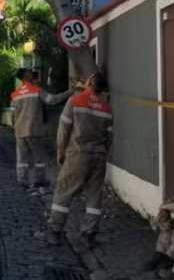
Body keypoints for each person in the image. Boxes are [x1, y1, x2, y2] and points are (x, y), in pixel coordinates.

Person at [34, 71, 112, 246]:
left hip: (78, 154)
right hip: (99, 156)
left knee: (64, 191)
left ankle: (54, 231)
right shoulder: (107, 108)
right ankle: (88, 235)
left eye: (87, 79)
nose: (84, 82)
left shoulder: (75, 101)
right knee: (94, 195)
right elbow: (110, 138)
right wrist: (102, 152)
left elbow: (63, 131)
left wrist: (61, 153)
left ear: (91, 83)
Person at [11, 68, 71, 194]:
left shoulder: (15, 94)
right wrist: (69, 92)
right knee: (39, 158)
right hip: (34, 130)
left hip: (19, 130)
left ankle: (22, 181)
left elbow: (12, 115)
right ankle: (39, 181)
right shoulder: (36, 90)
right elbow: (52, 100)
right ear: (26, 76)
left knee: (22, 159)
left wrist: (16, 128)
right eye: (29, 73)